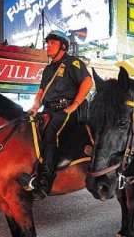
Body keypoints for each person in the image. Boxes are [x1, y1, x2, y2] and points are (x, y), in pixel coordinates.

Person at [25, 30, 93, 200]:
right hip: (48, 109)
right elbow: (41, 91)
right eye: (47, 43)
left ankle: (45, 181)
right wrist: (34, 107)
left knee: (51, 132)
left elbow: (87, 81)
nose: (48, 46)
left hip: (69, 109)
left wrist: (74, 105)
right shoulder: (47, 70)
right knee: (28, 129)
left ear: (63, 45)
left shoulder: (73, 63)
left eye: (52, 43)